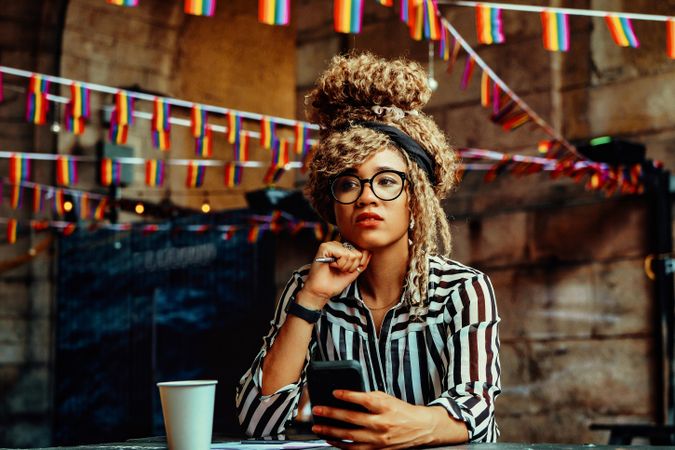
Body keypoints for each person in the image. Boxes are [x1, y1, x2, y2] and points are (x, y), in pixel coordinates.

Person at [236, 52, 501, 447]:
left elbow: (476, 411)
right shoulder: (307, 289)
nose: (367, 198)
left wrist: (406, 428)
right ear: (334, 206)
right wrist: (312, 298)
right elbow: (259, 419)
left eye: (387, 181)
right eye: (348, 184)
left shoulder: (463, 290)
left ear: (417, 198)